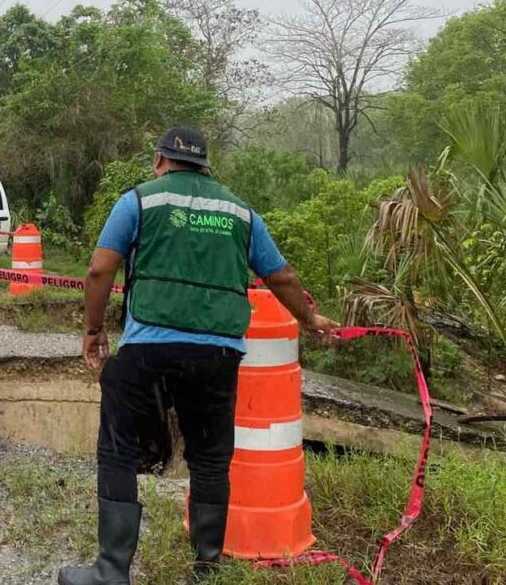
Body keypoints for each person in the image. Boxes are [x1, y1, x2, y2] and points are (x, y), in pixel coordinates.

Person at [58, 127, 337, 585]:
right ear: (207, 166)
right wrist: (310, 320)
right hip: (217, 356)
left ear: (159, 161)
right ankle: (205, 572)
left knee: (117, 450)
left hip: (147, 351)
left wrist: (93, 331)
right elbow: (282, 277)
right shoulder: (241, 212)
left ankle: (111, 570)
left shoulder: (138, 201)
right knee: (209, 460)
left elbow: (98, 269)